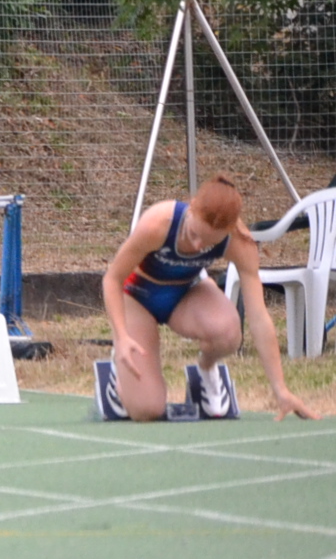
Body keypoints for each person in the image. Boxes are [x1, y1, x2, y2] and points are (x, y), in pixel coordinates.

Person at [101, 173, 316, 422]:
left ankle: (205, 370)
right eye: (194, 234)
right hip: (138, 297)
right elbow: (112, 279)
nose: (197, 245)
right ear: (191, 207)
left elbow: (259, 317)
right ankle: (117, 371)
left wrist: (281, 389)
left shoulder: (239, 242)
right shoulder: (158, 223)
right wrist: (121, 336)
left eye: (208, 243)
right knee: (147, 410)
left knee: (229, 333)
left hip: (184, 294)